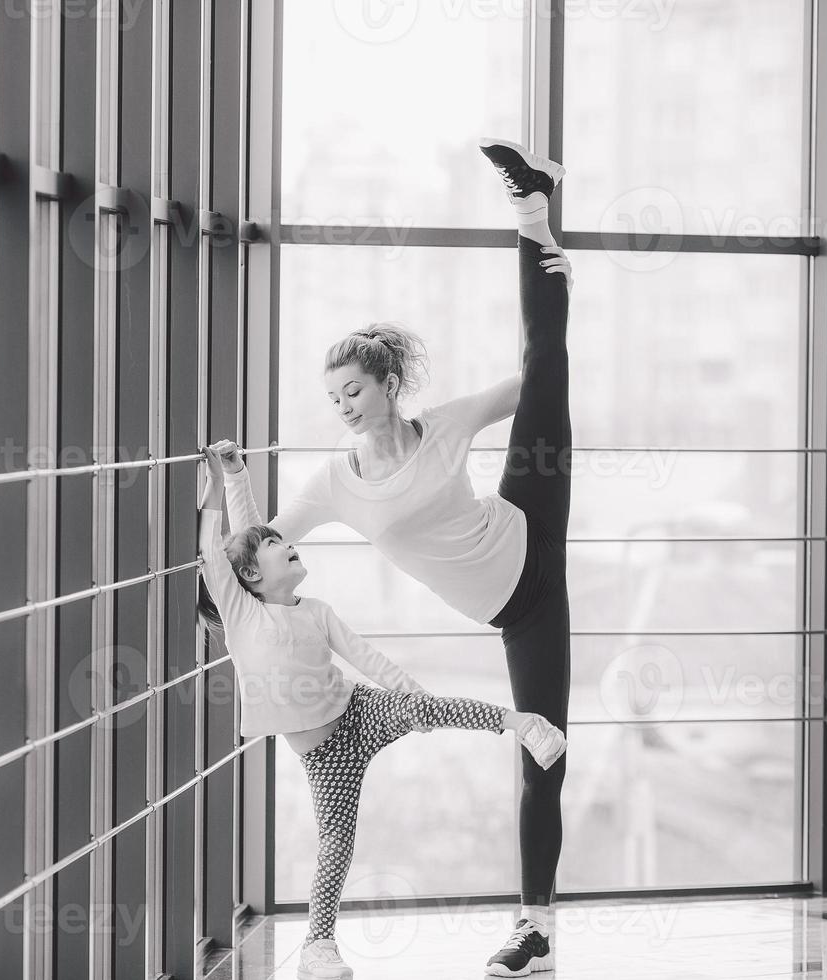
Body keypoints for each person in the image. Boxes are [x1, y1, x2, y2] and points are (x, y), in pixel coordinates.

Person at [214, 137, 575, 976]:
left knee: (547, 360)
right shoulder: (336, 484)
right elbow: (261, 541)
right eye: (332, 397)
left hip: (528, 520)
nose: (343, 407)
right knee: (543, 740)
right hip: (522, 607)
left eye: (354, 391)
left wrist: (556, 326)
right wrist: (233, 477)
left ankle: (531, 210)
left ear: (386, 387)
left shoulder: (444, 425)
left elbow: (529, 382)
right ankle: (538, 927)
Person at [197, 444, 566, 980]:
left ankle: (523, 724)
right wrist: (224, 481)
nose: (286, 543)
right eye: (276, 546)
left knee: (434, 708)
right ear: (252, 575)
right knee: (337, 844)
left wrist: (413, 698)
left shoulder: (317, 611)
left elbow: (364, 657)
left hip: (359, 711)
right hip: (326, 756)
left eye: (285, 539)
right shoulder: (242, 617)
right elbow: (223, 550)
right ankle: (318, 948)